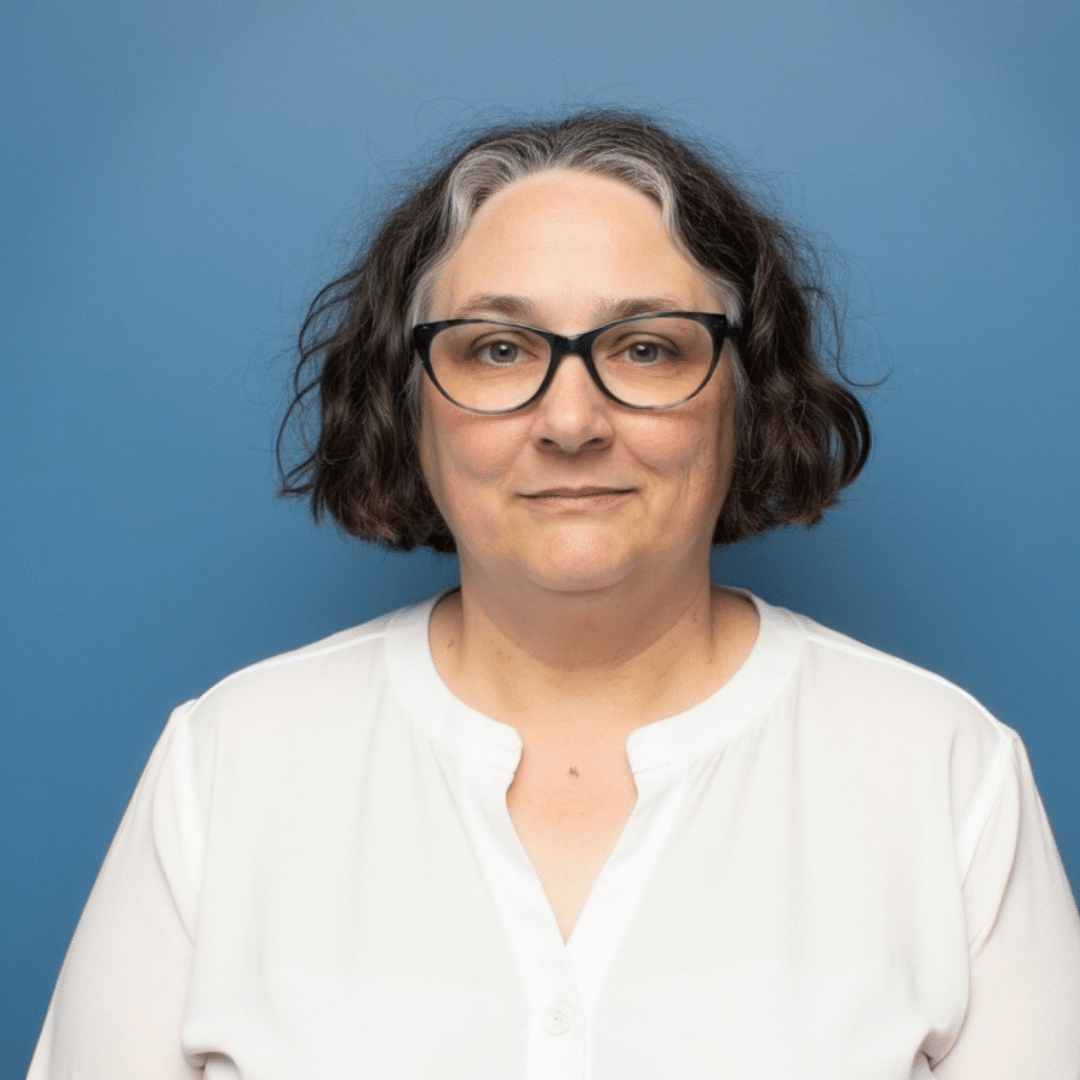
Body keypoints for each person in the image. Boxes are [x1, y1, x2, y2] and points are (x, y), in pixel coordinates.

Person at [27, 111, 1080, 1079]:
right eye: (496, 348)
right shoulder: (228, 763)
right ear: (406, 407)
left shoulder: (946, 773)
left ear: (745, 393)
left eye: (647, 347)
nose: (571, 421)